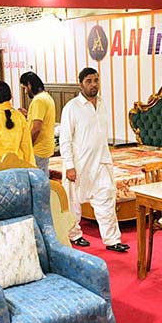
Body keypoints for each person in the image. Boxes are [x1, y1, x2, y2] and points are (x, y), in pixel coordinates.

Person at [60, 67, 129, 253]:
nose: (93, 84)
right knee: (73, 203)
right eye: (89, 81)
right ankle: (74, 235)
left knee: (106, 200)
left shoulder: (102, 103)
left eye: (96, 80)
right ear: (80, 83)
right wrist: (69, 166)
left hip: (101, 162)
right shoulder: (72, 108)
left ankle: (113, 240)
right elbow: (65, 140)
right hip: (80, 164)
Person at [19, 71, 56, 176]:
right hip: (45, 147)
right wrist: (28, 116)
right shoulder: (47, 97)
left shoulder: (38, 100)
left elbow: (36, 128)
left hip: (38, 149)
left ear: (29, 85)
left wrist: (27, 145)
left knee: (37, 182)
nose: (26, 92)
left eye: (25, 88)